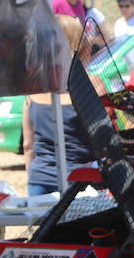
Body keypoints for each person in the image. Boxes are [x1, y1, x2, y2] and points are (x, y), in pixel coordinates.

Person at [22, 15, 96, 196]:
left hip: (40, 181)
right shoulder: (90, 85)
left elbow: (28, 145)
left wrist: (32, 175)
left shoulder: (34, 89)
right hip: (82, 182)